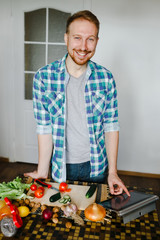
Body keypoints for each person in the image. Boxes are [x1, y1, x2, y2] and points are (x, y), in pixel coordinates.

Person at [24, 10, 130, 196]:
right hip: (62, 169)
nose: (83, 46)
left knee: (96, 219)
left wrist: (112, 172)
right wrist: (42, 171)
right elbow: (44, 128)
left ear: (97, 41)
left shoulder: (105, 78)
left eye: (90, 39)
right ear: (66, 38)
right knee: (65, 220)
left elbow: (111, 126)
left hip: (97, 167)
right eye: (77, 38)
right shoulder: (44, 77)